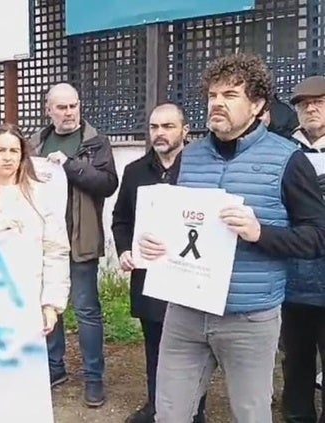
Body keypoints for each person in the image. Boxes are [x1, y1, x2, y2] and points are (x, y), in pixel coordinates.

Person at [137, 53, 325, 423]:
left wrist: (260, 233)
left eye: (230, 95)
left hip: (250, 317)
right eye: (212, 95)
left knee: (251, 415)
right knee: (169, 414)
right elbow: (170, 223)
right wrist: (150, 243)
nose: (217, 102)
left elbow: (316, 237)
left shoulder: (288, 160)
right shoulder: (188, 158)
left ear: (257, 105)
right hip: (185, 313)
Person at [111, 103, 207, 423]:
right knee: (154, 343)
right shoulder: (135, 171)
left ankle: (195, 410)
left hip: (190, 274)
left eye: (168, 126)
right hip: (149, 275)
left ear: (185, 131)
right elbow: (121, 219)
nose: (160, 133)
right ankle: (156, 406)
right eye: (154, 127)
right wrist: (124, 250)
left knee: (193, 349)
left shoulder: (200, 168)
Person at [30, 82, 119, 406]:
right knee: (48, 306)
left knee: (86, 310)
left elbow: (108, 184)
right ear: (48, 109)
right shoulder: (34, 144)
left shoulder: (95, 143)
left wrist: (70, 164)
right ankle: (55, 367)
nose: (68, 113)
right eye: (61, 107)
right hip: (42, 242)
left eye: (73, 106)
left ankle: (94, 378)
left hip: (81, 238)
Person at [0, 123, 70, 331]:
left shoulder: (41, 196)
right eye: (1, 150)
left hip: (27, 297)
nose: (7, 157)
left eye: (14, 151)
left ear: (22, 156)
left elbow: (55, 252)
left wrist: (50, 304)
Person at [280, 75, 325, 422]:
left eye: (319, 102)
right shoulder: (283, 149)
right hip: (293, 276)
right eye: (303, 103)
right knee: (295, 358)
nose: (310, 108)